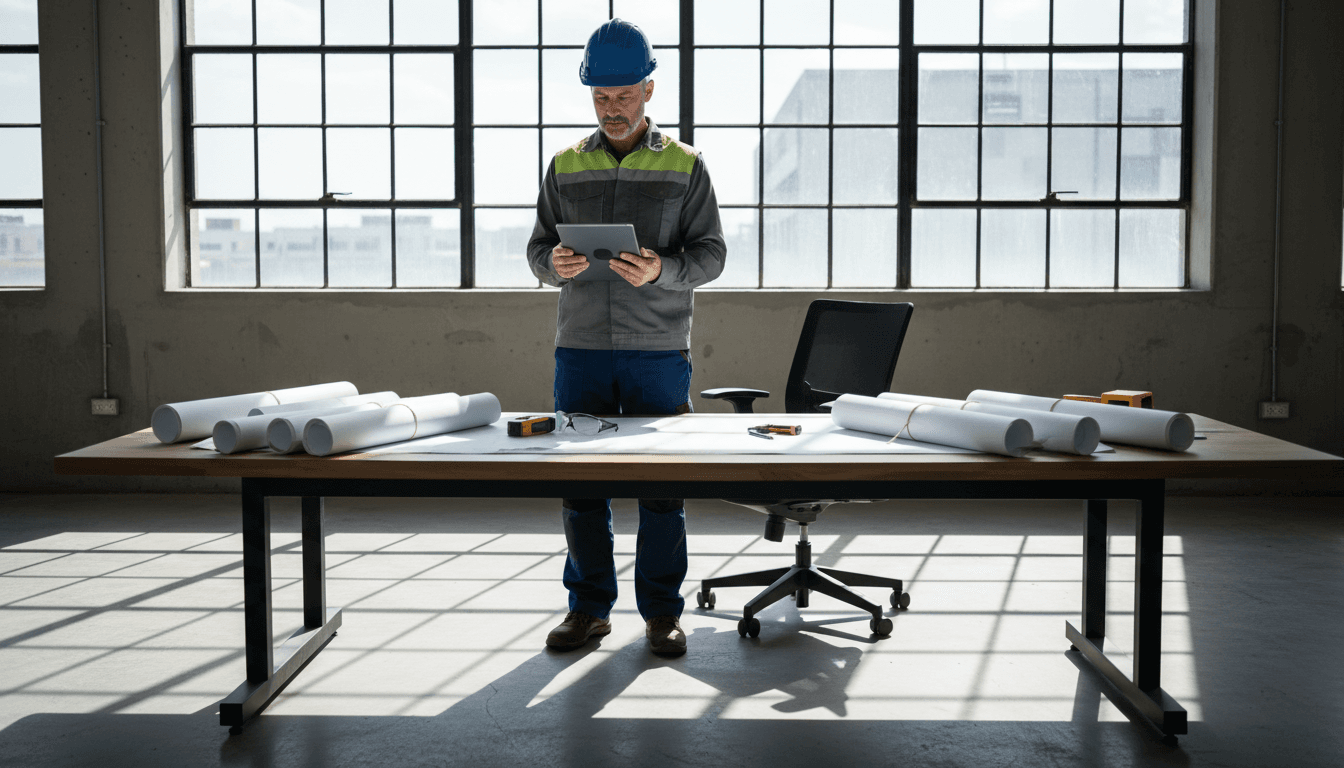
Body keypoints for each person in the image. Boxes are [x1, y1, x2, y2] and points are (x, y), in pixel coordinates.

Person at [526, 18, 726, 657]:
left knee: (662, 491)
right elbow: (537, 248)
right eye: (601, 98)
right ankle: (588, 610)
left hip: (657, 352)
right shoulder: (565, 164)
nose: (612, 110)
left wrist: (662, 269)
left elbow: (713, 254)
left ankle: (662, 614)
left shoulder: (684, 165)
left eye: (624, 96)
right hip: (580, 348)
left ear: (647, 90)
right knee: (581, 490)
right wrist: (549, 265)